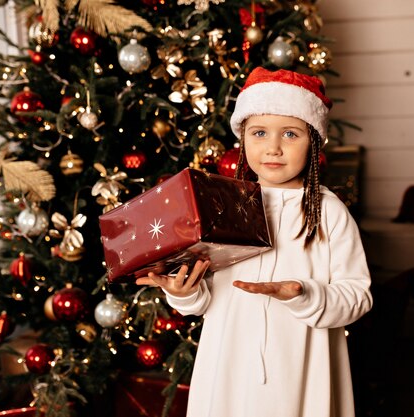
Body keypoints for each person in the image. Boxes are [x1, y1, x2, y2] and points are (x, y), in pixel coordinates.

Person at [136, 67, 373, 417]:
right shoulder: (223, 204)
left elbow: (358, 296)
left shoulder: (327, 212)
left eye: (290, 134)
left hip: (300, 371)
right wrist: (185, 292)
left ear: (314, 142)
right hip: (230, 366)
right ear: (243, 138)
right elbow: (207, 298)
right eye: (259, 132)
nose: (273, 148)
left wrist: (304, 293)